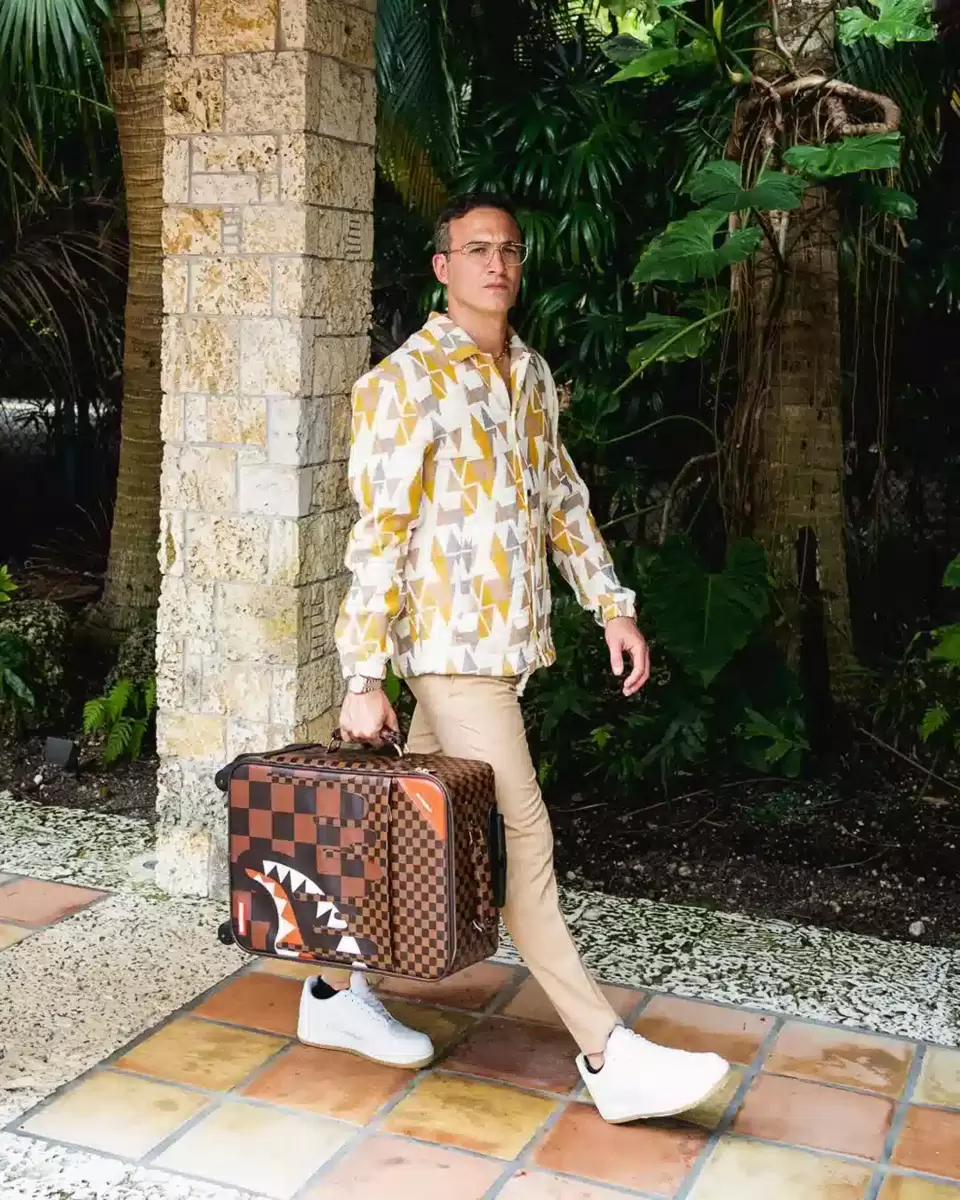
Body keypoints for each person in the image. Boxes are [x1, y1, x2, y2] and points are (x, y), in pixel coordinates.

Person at [296, 192, 731, 1124]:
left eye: (509, 250)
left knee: (402, 832)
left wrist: (612, 607)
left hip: (500, 650)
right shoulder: (403, 382)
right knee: (523, 838)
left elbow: (561, 499)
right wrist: (362, 675)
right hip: (448, 651)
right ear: (442, 267)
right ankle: (609, 1056)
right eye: (476, 249)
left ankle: (330, 993)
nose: (496, 263)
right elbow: (379, 534)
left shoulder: (528, 373)